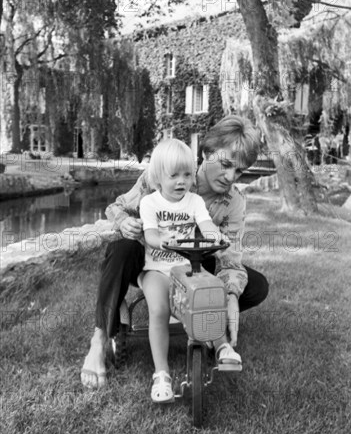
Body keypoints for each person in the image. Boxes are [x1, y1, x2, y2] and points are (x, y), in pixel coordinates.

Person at [81, 115, 269, 390]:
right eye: (226, 165)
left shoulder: (233, 201)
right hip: (150, 260)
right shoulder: (167, 172)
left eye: (239, 172)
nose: (231, 177)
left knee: (256, 286)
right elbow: (117, 207)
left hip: (195, 264)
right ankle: (99, 338)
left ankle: (205, 320)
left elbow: (231, 260)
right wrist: (125, 222)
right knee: (122, 248)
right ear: (207, 153)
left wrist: (229, 295)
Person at [139, 138, 241, 403]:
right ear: (158, 177)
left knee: (208, 294)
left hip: (185, 266)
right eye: (173, 176)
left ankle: (222, 347)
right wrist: (162, 239)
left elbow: (206, 225)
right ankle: (161, 374)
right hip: (157, 270)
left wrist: (215, 237)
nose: (181, 181)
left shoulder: (194, 201)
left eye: (186, 174)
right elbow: (149, 234)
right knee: (159, 310)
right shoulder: (150, 203)